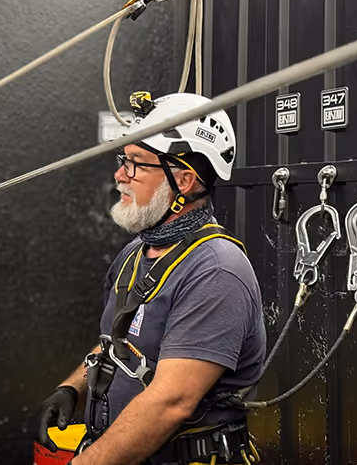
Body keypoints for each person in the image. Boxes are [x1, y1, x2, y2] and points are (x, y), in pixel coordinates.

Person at [36, 92, 266, 465]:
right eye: (122, 160)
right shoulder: (136, 254)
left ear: (185, 181)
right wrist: (72, 389)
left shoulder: (216, 270)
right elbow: (119, 345)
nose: (120, 175)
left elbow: (171, 402)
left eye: (136, 164)